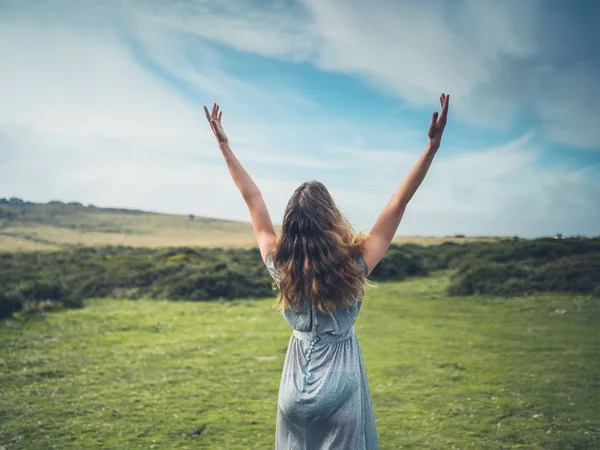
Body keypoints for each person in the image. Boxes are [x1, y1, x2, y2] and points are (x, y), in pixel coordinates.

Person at [204, 93, 450, 449]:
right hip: (341, 391)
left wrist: (225, 147)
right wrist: (431, 148)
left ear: (291, 225)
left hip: (293, 394)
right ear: (331, 219)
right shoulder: (353, 264)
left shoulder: (280, 264)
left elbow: (253, 199)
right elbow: (399, 202)